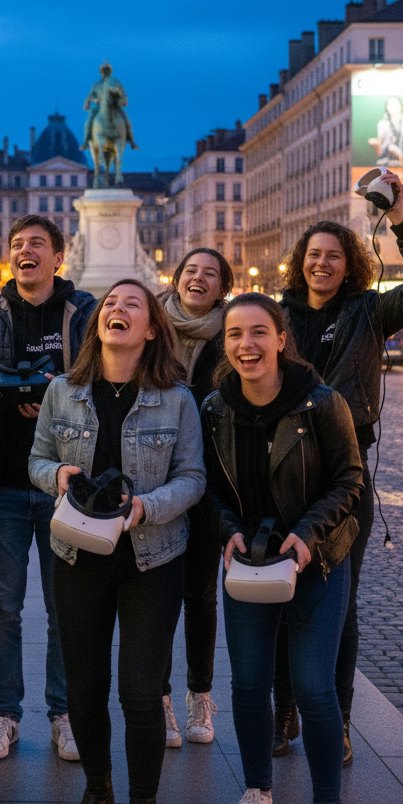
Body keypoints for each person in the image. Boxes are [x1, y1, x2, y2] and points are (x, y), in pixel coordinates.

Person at [28, 278, 206, 804]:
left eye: (133, 304)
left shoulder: (177, 399)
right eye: (110, 304)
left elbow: (192, 478)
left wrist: (145, 507)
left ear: (152, 328)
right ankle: (99, 794)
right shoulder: (62, 390)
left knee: (138, 693)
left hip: (151, 559)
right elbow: (37, 458)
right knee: (82, 687)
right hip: (78, 554)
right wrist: (55, 476)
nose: (117, 310)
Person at [277, 170, 403, 763]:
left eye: (332, 256)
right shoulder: (278, 319)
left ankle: (341, 721)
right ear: (300, 263)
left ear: (350, 264)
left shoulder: (370, 313)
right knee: (275, 594)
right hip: (279, 473)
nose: (321, 264)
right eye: (313, 256)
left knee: (339, 603)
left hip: (344, 476)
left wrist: (401, 217)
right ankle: (282, 714)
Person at [202, 292, 364, 804]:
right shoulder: (215, 408)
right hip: (249, 562)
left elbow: (349, 481)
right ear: (225, 346)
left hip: (315, 560)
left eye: (257, 333)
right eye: (234, 336)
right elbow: (211, 493)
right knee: (248, 684)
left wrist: (308, 536)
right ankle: (257, 793)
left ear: (279, 338)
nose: (246, 345)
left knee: (315, 686)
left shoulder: (322, 404)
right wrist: (228, 533)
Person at [0, 215, 96, 762]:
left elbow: (104, 378)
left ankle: (64, 715)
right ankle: (4, 715)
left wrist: (59, 401)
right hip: (2, 483)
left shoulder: (83, 312)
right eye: (16, 244)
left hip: (66, 485)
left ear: (58, 257)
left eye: (37, 244)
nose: (24, 251)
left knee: (66, 609)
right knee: (2, 609)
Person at [158, 248, 232, 748]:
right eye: (191, 271)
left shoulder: (231, 336)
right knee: (158, 596)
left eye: (210, 274)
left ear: (222, 286)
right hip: (154, 478)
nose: (197, 279)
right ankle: (160, 699)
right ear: (177, 278)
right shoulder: (152, 327)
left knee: (201, 595)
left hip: (208, 481)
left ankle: (199, 695)